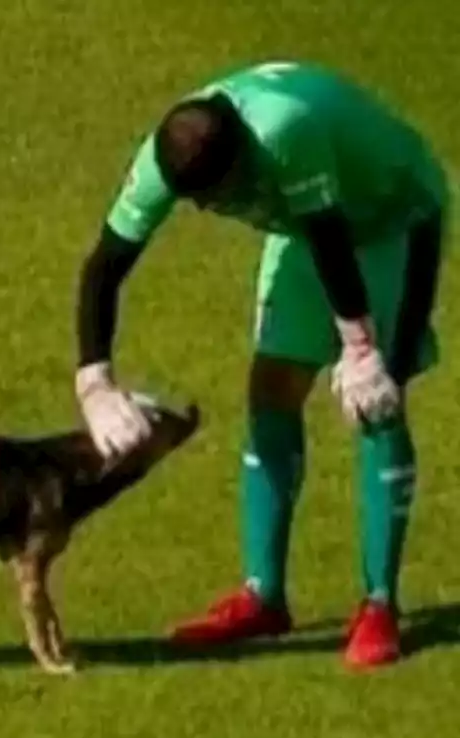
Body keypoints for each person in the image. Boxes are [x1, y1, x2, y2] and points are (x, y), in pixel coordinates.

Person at [73, 60, 448, 668]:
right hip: (309, 232)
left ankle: (379, 604)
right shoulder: (165, 152)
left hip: (391, 215)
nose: (206, 210)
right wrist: (94, 382)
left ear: (242, 158)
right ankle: (263, 596)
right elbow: (106, 264)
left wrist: (361, 351)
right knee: (271, 387)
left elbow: (332, 236)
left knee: (379, 400)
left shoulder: (285, 131)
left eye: (216, 197)